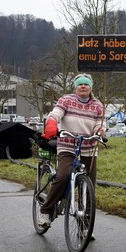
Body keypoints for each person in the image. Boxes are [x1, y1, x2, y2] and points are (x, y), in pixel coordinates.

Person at [38, 73, 105, 228]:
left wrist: (100, 130)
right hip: (68, 145)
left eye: (86, 84)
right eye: (80, 84)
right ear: (75, 87)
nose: (83, 86)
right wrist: (52, 122)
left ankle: (85, 226)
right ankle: (46, 210)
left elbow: (99, 124)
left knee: (89, 187)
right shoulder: (66, 100)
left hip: (89, 147)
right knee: (63, 176)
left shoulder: (98, 105)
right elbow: (56, 113)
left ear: (91, 88)